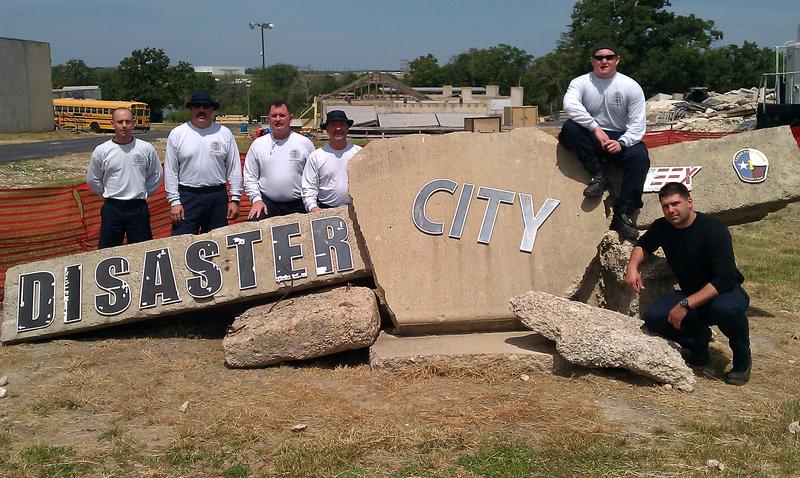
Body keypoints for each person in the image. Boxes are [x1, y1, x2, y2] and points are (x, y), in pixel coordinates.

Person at [624, 182, 751, 385]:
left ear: (689, 202)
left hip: (724, 293)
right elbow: (643, 245)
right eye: (665, 206)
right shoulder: (663, 226)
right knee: (653, 317)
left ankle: (742, 361)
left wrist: (685, 304)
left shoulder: (713, 228)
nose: (670, 210)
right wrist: (632, 268)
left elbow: (725, 278)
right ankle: (697, 343)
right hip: (691, 293)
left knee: (726, 309)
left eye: (675, 204)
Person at [559, 40, 650, 240]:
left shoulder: (630, 86)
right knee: (569, 128)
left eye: (609, 57)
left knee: (640, 157)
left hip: (618, 137)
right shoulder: (581, 82)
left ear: (617, 60)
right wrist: (595, 128)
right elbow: (570, 105)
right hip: (591, 134)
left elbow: (637, 124)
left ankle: (624, 213)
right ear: (592, 61)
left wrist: (623, 142)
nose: (604, 61)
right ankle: (599, 175)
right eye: (599, 57)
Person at [164, 92, 243, 235]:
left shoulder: (224, 133)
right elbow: (170, 171)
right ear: (190, 109)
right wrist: (174, 202)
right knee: (182, 244)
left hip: (217, 197)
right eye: (197, 106)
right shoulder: (177, 134)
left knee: (218, 244)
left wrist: (235, 199)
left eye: (205, 107)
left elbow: (234, 168)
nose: (201, 110)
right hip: (187, 197)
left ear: (212, 110)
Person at [86, 107, 163, 248]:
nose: (124, 126)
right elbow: (93, 178)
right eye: (120, 122)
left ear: (133, 123)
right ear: (112, 124)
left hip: (138, 207)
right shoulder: (102, 150)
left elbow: (156, 174)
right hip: (112, 208)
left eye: (128, 121)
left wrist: (144, 191)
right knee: (108, 250)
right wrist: (104, 192)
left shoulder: (145, 148)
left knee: (142, 250)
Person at [244, 100, 315, 220]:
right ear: (269, 118)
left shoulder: (304, 143)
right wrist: (256, 200)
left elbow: (314, 177)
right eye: (274, 116)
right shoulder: (258, 144)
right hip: (267, 204)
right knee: (254, 224)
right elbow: (249, 176)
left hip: (299, 204)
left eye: (282, 115)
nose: (278, 119)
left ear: (290, 118)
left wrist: (311, 204)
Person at [302, 110, 362, 212]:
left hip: (357, 209)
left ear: (347, 128)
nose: (338, 128)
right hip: (326, 210)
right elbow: (309, 187)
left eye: (341, 124)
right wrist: (312, 207)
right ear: (327, 129)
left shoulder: (360, 153)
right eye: (334, 125)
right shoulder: (316, 156)